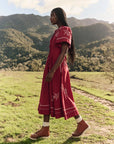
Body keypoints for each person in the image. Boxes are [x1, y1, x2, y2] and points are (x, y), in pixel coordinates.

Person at [30, 7, 89, 140]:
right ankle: (45, 128)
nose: (50, 18)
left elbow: (63, 53)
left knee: (63, 96)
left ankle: (81, 123)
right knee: (47, 94)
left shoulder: (65, 30)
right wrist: (49, 70)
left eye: (53, 15)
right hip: (52, 68)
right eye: (50, 15)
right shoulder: (57, 31)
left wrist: (52, 71)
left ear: (59, 16)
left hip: (58, 69)